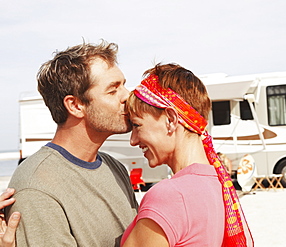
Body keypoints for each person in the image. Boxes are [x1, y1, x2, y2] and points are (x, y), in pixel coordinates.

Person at [5, 40, 138, 246]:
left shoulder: (115, 168)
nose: (128, 96)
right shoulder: (37, 188)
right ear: (75, 105)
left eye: (123, 85)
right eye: (113, 90)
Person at [120, 63, 254, 246]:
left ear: (171, 120)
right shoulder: (219, 183)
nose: (133, 140)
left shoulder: (170, 195)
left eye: (136, 126)